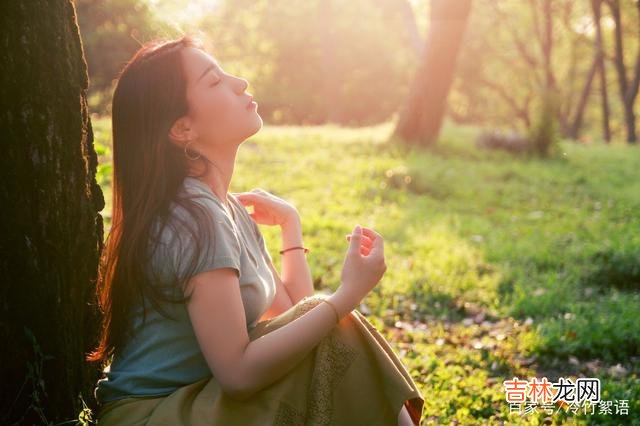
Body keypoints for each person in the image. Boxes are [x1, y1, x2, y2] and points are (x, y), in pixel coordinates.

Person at [87, 34, 424, 425]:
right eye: (214, 81)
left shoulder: (225, 208)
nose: (239, 82)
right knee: (332, 319)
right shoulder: (194, 218)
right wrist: (346, 296)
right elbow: (239, 375)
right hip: (155, 414)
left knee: (329, 327)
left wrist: (289, 227)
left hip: (199, 400)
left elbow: (295, 320)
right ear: (182, 129)